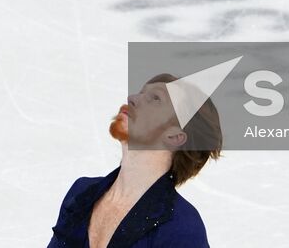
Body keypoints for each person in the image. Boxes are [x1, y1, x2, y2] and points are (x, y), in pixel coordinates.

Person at [45, 74, 224, 248]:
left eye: (155, 98)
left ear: (175, 136)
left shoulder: (181, 227)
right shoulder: (81, 194)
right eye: (140, 93)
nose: (132, 98)